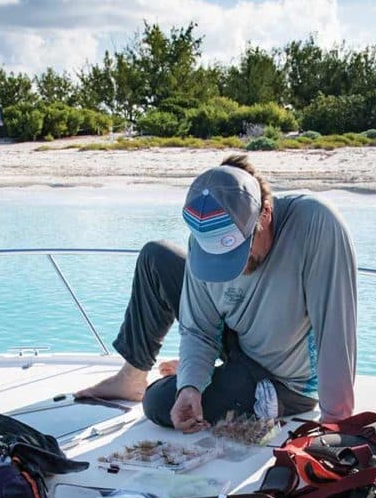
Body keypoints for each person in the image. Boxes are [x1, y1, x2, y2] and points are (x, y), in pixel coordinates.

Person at [75, 154, 357, 430]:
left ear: (266, 213)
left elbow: (335, 330)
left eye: (238, 253)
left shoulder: (316, 224)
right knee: (156, 257)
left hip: (283, 378)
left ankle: (212, 375)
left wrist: (336, 425)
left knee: (157, 401)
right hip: (240, 340)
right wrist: (190, 386)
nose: (230, 269)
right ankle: (132, 376)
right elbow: (199, 328)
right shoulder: (206, 233)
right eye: (219, 257)